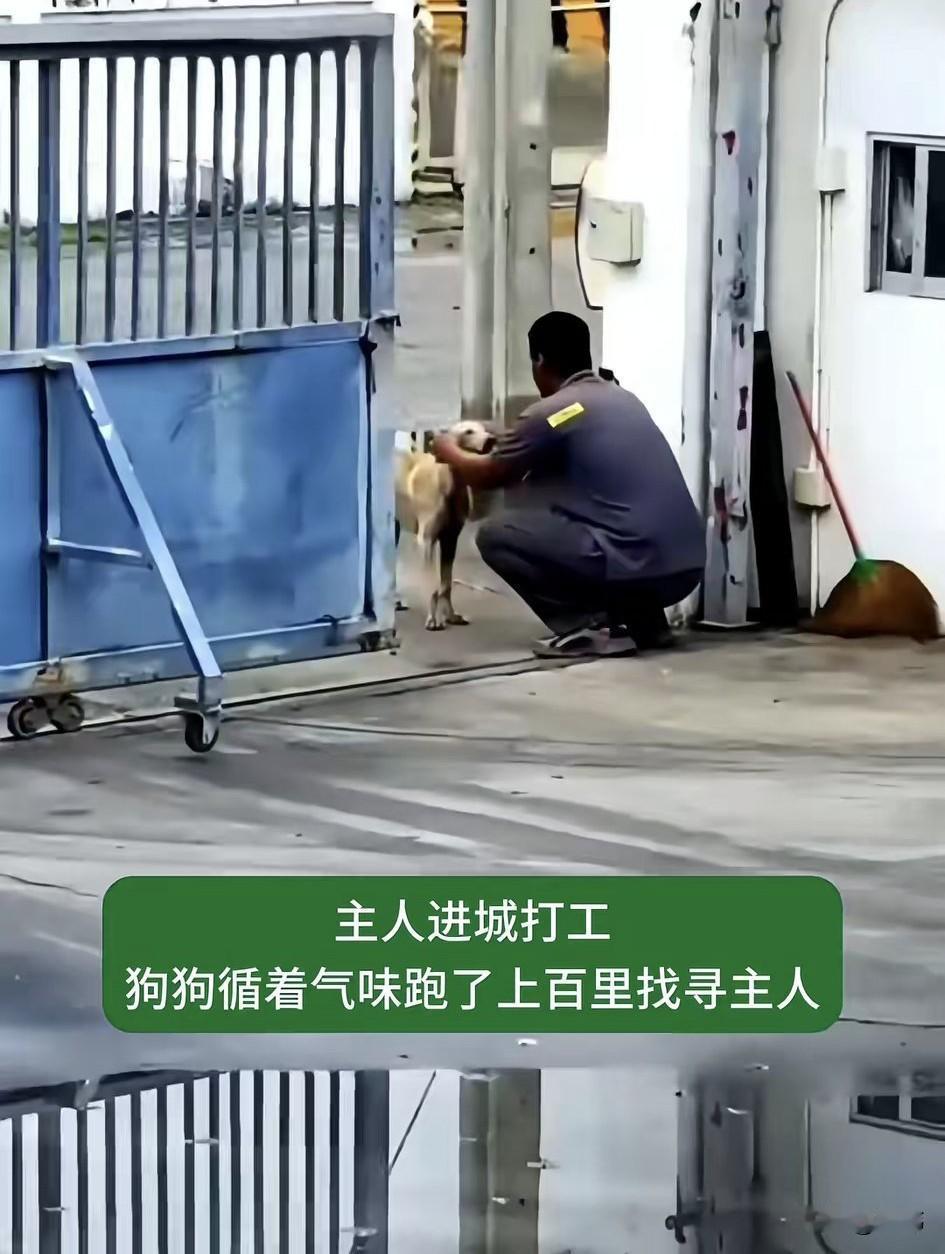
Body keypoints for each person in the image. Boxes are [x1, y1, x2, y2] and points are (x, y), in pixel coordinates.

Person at [431, 311, 706, 659]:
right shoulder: (621, 398)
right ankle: (647, 624)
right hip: (685, 568)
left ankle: (589, 629)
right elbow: (560, 428)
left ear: (540, 361)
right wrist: (506, 437)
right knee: (597, 519)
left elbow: (490, 476)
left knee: (496, 535)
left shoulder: (553, 411)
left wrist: (449, 450)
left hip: (640, 566)